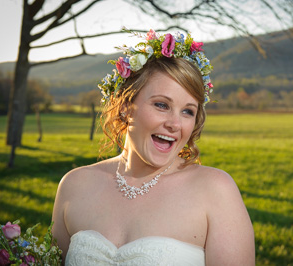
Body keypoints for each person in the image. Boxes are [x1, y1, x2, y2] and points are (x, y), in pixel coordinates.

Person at [52, 29, 255, 265]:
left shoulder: (216, 191)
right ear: (126, 106)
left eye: (188, 111)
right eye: (161, 105)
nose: (175, 124)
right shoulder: (74, 185)